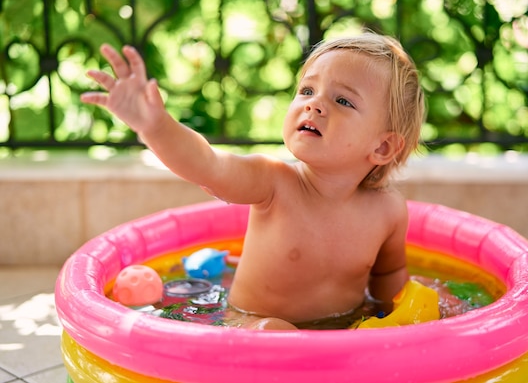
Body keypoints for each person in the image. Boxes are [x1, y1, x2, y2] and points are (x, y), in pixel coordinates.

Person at [81, 32, 426, 330]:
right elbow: (206, 164)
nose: (315, 105)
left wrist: (401, 317)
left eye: (342, 100)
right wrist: (154, 126)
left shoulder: (388, 212)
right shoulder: (273, 182)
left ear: (382, 146)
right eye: (307, 90)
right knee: (273, 333)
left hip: (340, 331)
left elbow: (388, 280)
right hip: (250, 324)